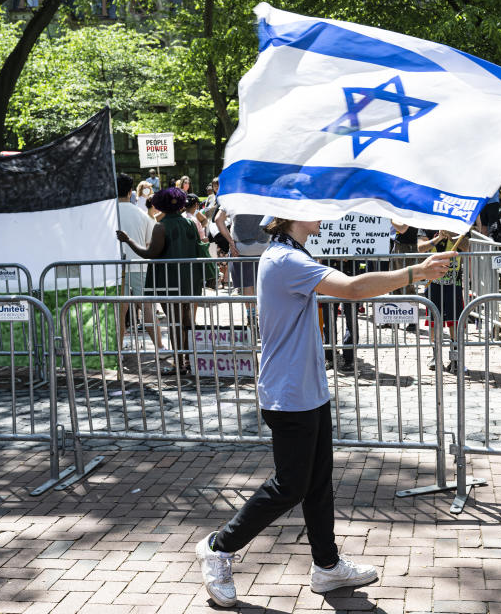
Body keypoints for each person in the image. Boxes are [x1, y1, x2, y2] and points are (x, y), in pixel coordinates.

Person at [194, 215, 454, 607]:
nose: (323, 214)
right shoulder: (285, 260)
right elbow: (351, 288)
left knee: (316, 484)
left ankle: (327, 566)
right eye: (313, 208)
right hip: (288, 394)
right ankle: (218, 547)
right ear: (291, 216)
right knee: (290, 486)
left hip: (306, 390)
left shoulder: (292, 252)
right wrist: (415, 270)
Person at [116, 187, 203, 375]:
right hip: (188, 279)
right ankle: (189, 361)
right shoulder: (190, 224)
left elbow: (150, 253)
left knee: (174, 322)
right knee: (187, 321)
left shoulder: (161, 227)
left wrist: (128, 240)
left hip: (168, 281)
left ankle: (179, 364)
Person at [115, 174, 161, 350]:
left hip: (115, 268)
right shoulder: (142, 215)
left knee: (120, 309)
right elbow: (149, 243)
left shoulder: (110, 215)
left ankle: (117, 349)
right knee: (147, 307)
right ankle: (160, 347)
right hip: (140, 264)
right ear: (130, 191)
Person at [418, 228, 468, 372]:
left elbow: (466, 245)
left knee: (455, 321)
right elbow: (421, 247)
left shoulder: (458, 224)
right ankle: (436, 357)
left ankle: (456, 359)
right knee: (434, 321)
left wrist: (451, 234)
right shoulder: (426, 224)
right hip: (433, 283)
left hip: (454, 284)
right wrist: (438, 238)